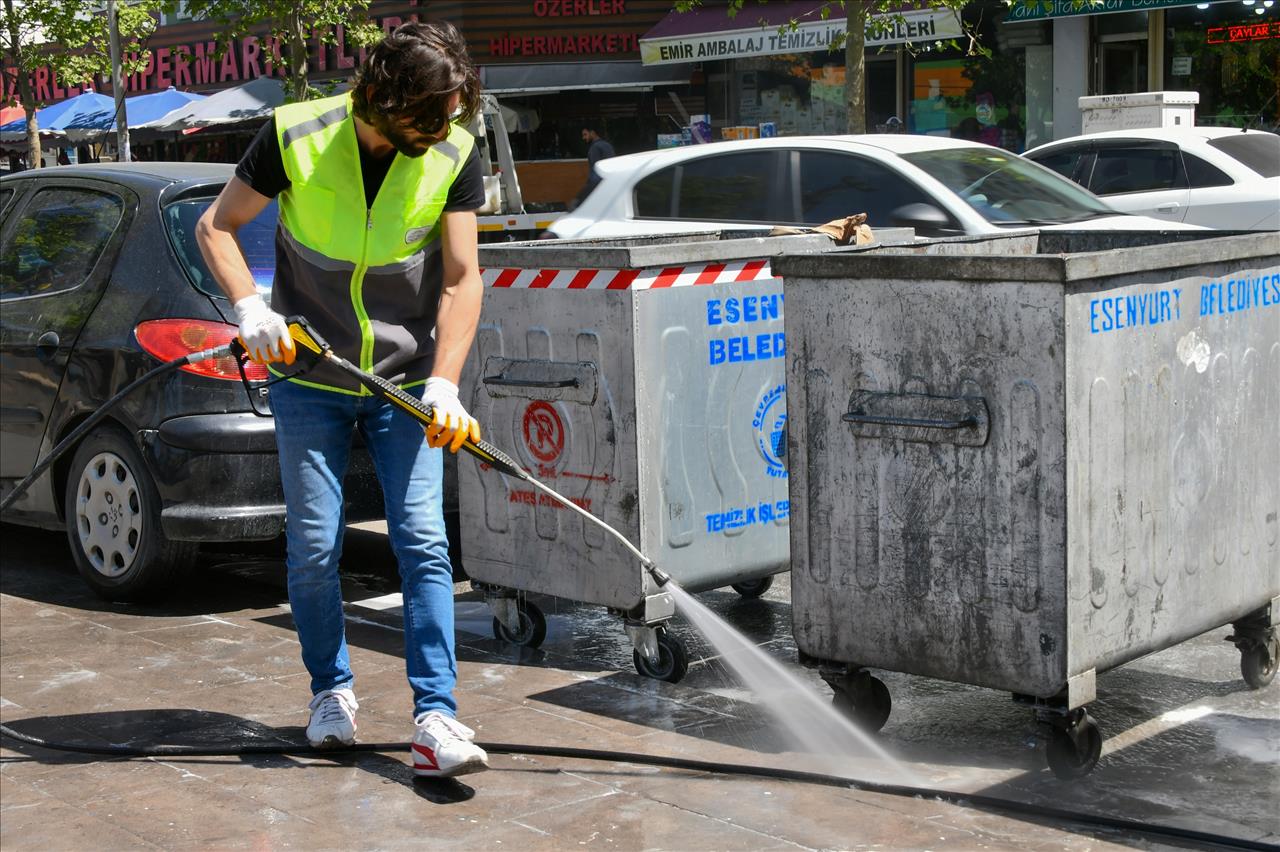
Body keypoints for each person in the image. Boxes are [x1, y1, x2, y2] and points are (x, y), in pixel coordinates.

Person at [194, 20, 490, 779]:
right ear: (386, 99)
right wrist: (249, 309)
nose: (448, 125)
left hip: (406, 382)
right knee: (316, 545)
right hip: (308, 377)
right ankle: (330, 692)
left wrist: (447, 383)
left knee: (421, 537)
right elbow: (217, 226)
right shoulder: (295, 134)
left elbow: (460, 278)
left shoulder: (454, 148)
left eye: (455, 110)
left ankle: (437, 717)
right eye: (434, 112)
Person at [572, 124, 615, 207]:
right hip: (610, 185)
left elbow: (595, 171)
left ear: (592, 133)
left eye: (585, 134)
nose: (583, 138)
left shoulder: (594, 148)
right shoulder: (608, 145)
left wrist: (588, 189)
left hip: (599, 187)